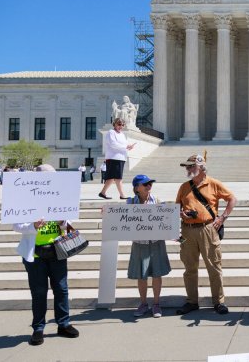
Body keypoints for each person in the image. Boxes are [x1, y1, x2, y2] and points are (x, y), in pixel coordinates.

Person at [12, 164, 79, 346]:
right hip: (35, 254)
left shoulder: (60, 197)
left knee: (61, 288)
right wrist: (32, 226)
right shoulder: (24, 199)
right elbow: (16, 225)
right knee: (39, 291)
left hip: (57, 250)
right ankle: (38, 328)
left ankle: (63, 324)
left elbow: (69, 222)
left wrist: (62, 221)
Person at [175, 153, 237, 315]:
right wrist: (181, 214)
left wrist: (222, 218)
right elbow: (176, 208)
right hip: (187, 229)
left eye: (191, 166)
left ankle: (219, 302)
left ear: (201, 167)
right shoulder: (184, 187)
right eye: (187, 167)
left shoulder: (213, 184)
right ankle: (192, 301)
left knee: (214, 267)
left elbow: (232, 199)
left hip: (208, 228)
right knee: (190, 268)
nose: (188, 169)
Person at [127, 174, 171, 318]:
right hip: (139, 243)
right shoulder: (130, 203)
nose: (148, 186)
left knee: (157, 274)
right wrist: (108, 214)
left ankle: (156, 304)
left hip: (156, 242)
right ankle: (144, 303)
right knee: (141, 275)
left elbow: (166, 221)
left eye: (150, 183)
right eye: (145, 184)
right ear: (137, 188)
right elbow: (122, 221)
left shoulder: (158, 201)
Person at [99, 118, 135, 200]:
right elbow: (113, 144)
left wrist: (129, 146)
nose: (121, 126)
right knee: (118, 177)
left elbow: (124, 145)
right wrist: (126, 147)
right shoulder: (111, 132)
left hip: (121, 158)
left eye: (122, 125)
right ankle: (122, 195)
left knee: (111, 177)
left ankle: (102, 193)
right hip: (113, 158)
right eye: (119, 124)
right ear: (114, 124)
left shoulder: (122, 134)